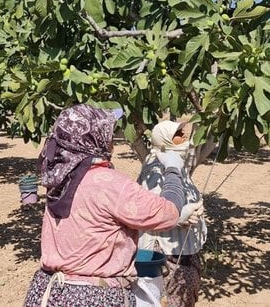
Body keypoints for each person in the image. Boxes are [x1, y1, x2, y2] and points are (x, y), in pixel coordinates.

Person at [24, 104, 202, 307]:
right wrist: (173, 171)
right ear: (93, 138)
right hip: (90, 298)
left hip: (49, 292)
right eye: (108, 133)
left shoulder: (60, 177)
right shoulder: (107, 183)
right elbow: (167, 212)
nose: (112, 141)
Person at [137, 121, 207, 307]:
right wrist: (179, 218)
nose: (184, 137)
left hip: (181, 254)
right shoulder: (155, 170)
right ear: (165, 140)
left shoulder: (174, 163)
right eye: (178, 134)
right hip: (167, 258)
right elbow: (152, 211)